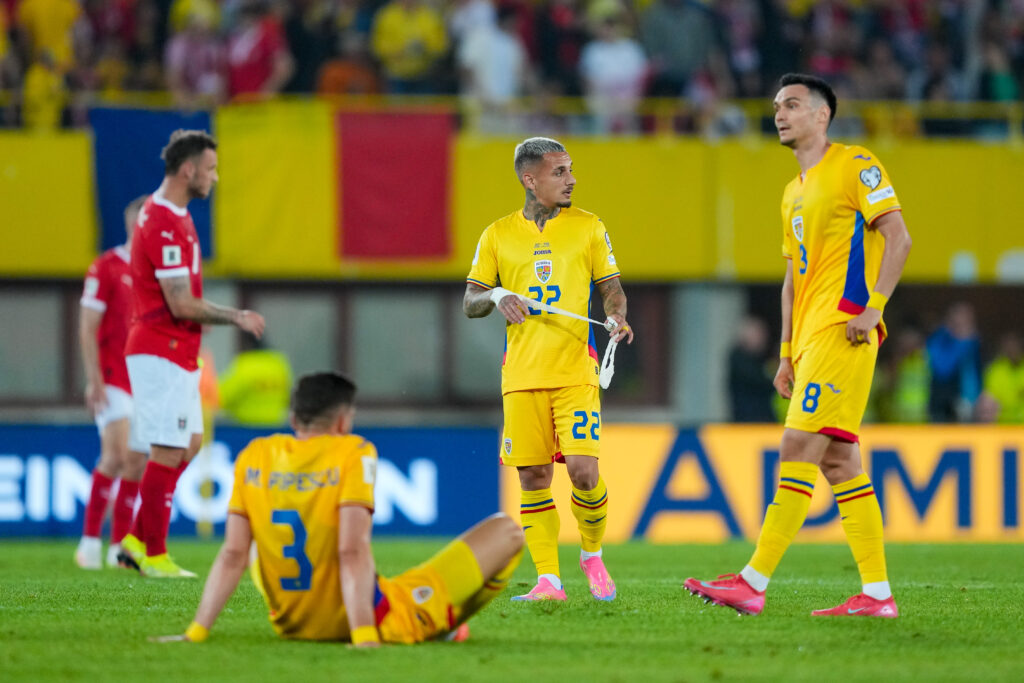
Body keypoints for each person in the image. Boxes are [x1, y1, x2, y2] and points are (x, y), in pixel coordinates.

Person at [684, 74, 912, 618]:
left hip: (845, 329)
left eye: (791, 104)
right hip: (809, 341)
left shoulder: (856, 165)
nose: (780, 114)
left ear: (821, 115)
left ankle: (753, 581)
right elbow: (793, 280)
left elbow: (899, 237)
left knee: (796, 449)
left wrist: (875, 306)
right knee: (839, 463)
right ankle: (877, 596)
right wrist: (785, 354)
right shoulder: (792, 191)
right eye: (776, 106)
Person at [154, 372, 524, 646]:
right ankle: (441, 625)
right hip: (375, 618)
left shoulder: (255, 455)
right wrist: (364, 635)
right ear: (344, 421)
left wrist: (195, 632)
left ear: (295, 419)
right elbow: (351, 548)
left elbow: (234, 553)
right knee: (507, 530)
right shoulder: (354, 452)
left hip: (292, 624)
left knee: (256, 544)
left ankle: (438, 621)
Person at [463, 137, 634, 602]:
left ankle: (592, 553)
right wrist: (499, 296)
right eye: (559, 172)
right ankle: (549, 582)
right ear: (529, 179)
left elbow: (612, 291)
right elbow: (470, 301)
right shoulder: (496, 234)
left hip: (575, 369)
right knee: (533, 477)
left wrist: (617, 316)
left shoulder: (589, 227)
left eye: (570, 170)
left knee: (582, 471)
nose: (571, 179)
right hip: (520, 375)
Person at [117, 129, 266, 579]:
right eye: (211, 169)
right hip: (159, 346)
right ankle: (154, 556)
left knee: (191, 442)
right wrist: (236, 315)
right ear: (189, 170)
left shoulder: (174, 214)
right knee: (168, 448)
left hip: (176, 348)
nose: (215, 178)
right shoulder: (162, 219)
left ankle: (133, 541)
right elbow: (180, 302)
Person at [75, 195, 150, 570]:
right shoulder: (105, 267)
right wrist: (93, 380)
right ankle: (89, 542)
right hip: (112, 376)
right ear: (129, 223)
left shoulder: (154, 275)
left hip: (145, 380)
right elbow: (88, 326)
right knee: (116, 456)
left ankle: (119, 547)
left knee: (136, 463)